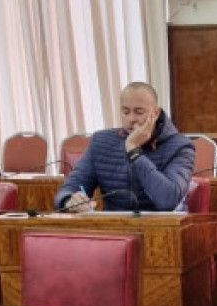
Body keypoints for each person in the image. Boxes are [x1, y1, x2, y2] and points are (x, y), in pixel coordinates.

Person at [54, 82, 194, 212]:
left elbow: (168, 200)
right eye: (125, 112)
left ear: (155, 114)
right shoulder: (101, 142)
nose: (131, 119)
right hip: (114, 226)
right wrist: (69, 199)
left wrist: (134, 151)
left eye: (139, 112)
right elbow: (70, 188)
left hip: (160, 226)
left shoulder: (180, 146)